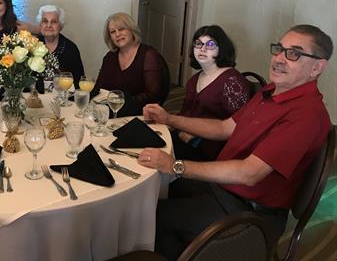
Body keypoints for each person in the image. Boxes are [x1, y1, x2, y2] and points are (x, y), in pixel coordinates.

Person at [139, 24, 333, 260]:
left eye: (294, 53)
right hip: (225, 190)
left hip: (248, 213)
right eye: (279, 49)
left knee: (151, 215)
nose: (279, 59)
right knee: (152, 190)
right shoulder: (272, 91)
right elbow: (225, 127)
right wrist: (169, 119)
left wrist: (176, 166)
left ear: (317, 67)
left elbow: (249, 173)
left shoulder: (305, 114)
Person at [172, 25, 249, 161]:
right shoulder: (194, 79)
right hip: (186, 136)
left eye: (210, 44)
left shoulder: (232, 81)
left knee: (160, 153)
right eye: (198, 44)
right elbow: (186, 112)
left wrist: (197, 132)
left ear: (222, 49)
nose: (202, 49)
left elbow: (240, 124)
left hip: (214, 148)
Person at [95, 12, 168, 116]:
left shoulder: (149, 55)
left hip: (141, 113)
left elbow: (153, 94)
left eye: (121, 29)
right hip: (114, 111)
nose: (117, 34)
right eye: (112, 32)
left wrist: (125, 104)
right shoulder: (109, 57)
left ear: (132, 30)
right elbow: (100, 86)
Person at [36, 5, 85, 87]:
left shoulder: (71, 49)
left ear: (60, 26)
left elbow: (79, 82)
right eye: (45, 21)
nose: (49, 25)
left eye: (54, 22)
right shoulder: (32, 46)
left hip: (64, 93)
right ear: (40, 25)